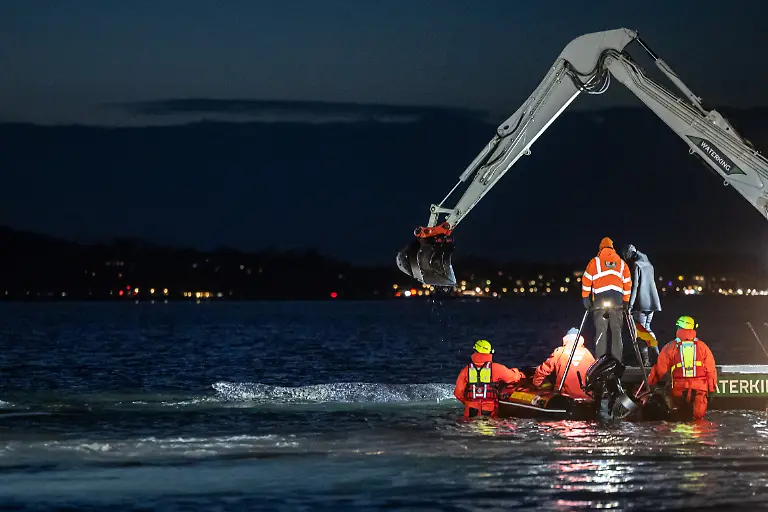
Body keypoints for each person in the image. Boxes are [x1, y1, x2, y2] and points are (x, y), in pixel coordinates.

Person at [647, 316, 718, 421]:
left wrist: (649, 383)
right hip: (699, 390)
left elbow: (660, 369)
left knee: (679, 420)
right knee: (698, 422)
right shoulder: (703, 347)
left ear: (678, 328)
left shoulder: (670, 347)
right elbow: (711, 370)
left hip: (678, 389)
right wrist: (711, 390)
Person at [581, 237, 632, 362]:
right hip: (617, 302)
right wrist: (626, 301)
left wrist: (585, 298)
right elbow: (627, 283)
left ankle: (599, 361)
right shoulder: (621, 263)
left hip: (600, 300)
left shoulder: (595, 262)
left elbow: (586, 280)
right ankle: (617, 362)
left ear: (601, 248)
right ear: (612, 248)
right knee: (617, 332)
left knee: (601, 331)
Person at [453, 339, 526, 418]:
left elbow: (458, 393)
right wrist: (517, 372)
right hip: (489, 410)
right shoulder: (496, 368)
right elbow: (513, 378)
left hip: (471, 410)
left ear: (475, 351)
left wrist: (468, 403)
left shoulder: (466, 370)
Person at [622, 244, 662, 366]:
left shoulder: (636, 265)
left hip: (640, 304)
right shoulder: (649, 265)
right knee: (648, 329)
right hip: (652, 303)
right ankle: (657, 356)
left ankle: (645, 361)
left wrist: (630, 305)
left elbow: (635, 287)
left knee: (640, 333)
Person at [532, 327, 596, 399]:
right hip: (586, 396)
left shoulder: (559, 352)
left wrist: (536, 383)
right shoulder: (587, 353)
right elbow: (594, 372)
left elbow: (544, 369)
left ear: (566, 339)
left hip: (565, 396)